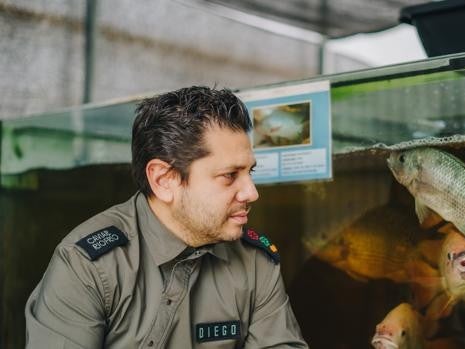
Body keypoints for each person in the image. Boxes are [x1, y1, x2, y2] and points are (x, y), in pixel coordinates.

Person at [25, 86, 308, 348]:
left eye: (250, 173)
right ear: (164, 180)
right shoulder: (87, 266)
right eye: (229, 176)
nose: (251, 192)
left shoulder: (254, 261)